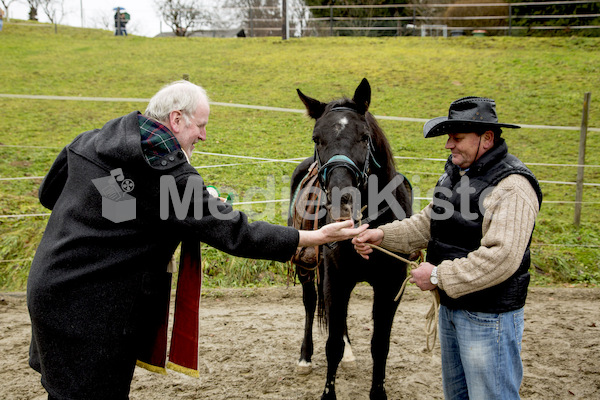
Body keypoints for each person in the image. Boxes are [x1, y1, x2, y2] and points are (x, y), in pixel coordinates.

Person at [27, 80, 367, 400]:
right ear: (176, 119)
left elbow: (49, 193)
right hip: (93, 312)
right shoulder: (163, 168)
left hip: (51, 288)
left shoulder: (94, 139)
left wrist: (120, 208)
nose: (203, 136)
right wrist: (313, 235)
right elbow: (235, 232)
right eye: (200, 125)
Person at [353, 96, 542, 399]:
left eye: (457, 138)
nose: (448, 145)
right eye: (448, 138)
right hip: (453, 308)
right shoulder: (456, 175)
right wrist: (381, 235)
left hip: (488, 317)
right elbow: (428, 224)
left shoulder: (513, 187)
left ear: (487, 138)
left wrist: (439, 276)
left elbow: (502, 257)